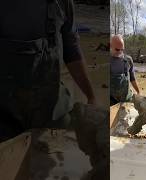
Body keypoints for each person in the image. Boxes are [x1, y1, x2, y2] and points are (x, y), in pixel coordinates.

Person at [0, 0, 106, 178]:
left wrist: (91, 96)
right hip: (4, 116)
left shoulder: (62, 3)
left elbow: (71, 49)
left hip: (52, 109)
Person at [110, 34, 140, 106]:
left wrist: (138, 92)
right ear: (110, 46)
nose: (120, 52)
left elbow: (132, 79)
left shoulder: (128, 60)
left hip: (126, 99)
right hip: (111, 100)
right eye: (117, 49)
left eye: (122, 49)